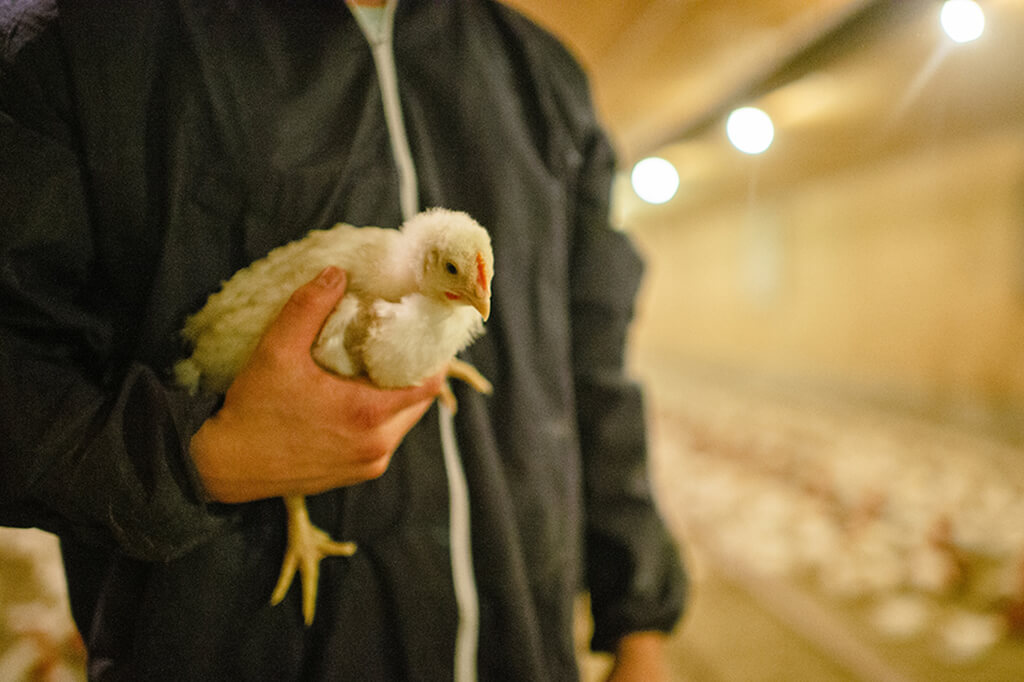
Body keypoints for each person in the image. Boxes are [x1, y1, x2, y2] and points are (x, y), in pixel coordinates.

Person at [0, 0, 686, 679]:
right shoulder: (89, 44)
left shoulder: (541, 73)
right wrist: (198, 458)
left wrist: (640, 625)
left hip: (523, 642)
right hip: (236, 649)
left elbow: (593, 360)